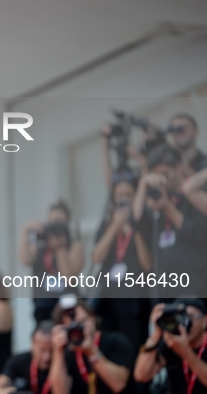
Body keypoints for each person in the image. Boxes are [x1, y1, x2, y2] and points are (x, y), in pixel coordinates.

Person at [132, 144, 207, 298]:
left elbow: (199, 234)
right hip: (164, 292)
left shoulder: (195, 194)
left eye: (165, 173)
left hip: (196, 291)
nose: (163, 180)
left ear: (178, 169)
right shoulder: (158, 197)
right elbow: (136, 222)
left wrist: (168, 207)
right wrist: (143, 184)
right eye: (157, 175)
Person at [92, 172, 152, 350]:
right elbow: (96, 256)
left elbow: (147, 263)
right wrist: (115, 226)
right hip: (109, 300)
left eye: (128, 195)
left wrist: (134, 227)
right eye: (120, 195)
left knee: (133, 348)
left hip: (135, 301)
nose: (123, 200)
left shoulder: (145, 222)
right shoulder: (108, 224)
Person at [49, 297, 137, 394]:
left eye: (82, 322)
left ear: (93, 317)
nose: (80, 329)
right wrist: (57, 351)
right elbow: (60, 392)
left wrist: (91, 351)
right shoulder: (69, 352)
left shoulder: (115, 341)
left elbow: (118, 385)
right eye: (73, 326)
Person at [19, 200, 85, 323]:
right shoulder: (40, 244)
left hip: (67, 303)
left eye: (59, 221)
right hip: (43, 303)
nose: (55, 225)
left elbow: (68, 277)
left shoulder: (74, 245)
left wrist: (60, 247)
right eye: (52, 221)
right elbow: (25, 260)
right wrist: (25, 231)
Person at [134, 298, 207, 393]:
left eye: (190, 317)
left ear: (205, 320)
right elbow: (141, 375)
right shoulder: (172, 342)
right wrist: (155, 335)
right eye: (181, 317)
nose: (186, 323)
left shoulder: (177, 345)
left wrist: (186, 352)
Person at [0, 320, 54, 394]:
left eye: (52, 351)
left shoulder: (64, 364)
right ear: (32, 344)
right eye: (42, 350)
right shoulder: (19, 361)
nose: (47, 357)